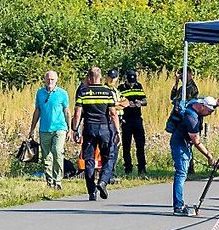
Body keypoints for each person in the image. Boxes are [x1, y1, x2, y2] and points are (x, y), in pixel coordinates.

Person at [168, 95, 219, 215]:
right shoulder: (192, 119)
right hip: (180, 145)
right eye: (209, 111)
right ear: (203, 107)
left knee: (182, 173)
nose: (210, 114)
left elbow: (217, 101)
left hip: (183, 143)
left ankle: (179, 204)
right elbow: (197, 142)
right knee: (181, 173)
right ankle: (178, 207)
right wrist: (209, 156)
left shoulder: (196, 103)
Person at [71, 67, 119, 201]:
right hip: (105, 128)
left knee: (89, 159)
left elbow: (77, 113)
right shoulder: (107, 92)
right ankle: (103, 181)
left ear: (89, 78)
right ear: (100, 77)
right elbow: (113, 113)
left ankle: (92, 191)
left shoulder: (83, 92)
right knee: (108, 157)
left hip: (89, 128)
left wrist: (75, 129)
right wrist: (117, 131)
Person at [27, 70, 71, 189]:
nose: (50, 81)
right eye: (48, 79)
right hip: (44, 129)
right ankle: (49, 181)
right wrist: (32, 130)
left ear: (56, 80)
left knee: (57, 152)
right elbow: (37, 111)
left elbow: (67, 111)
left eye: (52, 79)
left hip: (59, 128)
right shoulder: (40, 93)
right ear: (45, 80)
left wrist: (70, 128)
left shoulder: (62, 93)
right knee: (46, 157)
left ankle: (58, 181)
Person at [119, 69, 148, 176]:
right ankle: (128, 167)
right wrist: (127, 104)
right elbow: (118, 102)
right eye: (130, 81)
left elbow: (145, 101)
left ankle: (142, 167)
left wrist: (140, 103)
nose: (132, 83)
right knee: (126, 145)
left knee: (140, 145)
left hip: (137, 118)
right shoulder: (121, 88)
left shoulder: (138, 86)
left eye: (133, 80)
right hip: (126, 119)